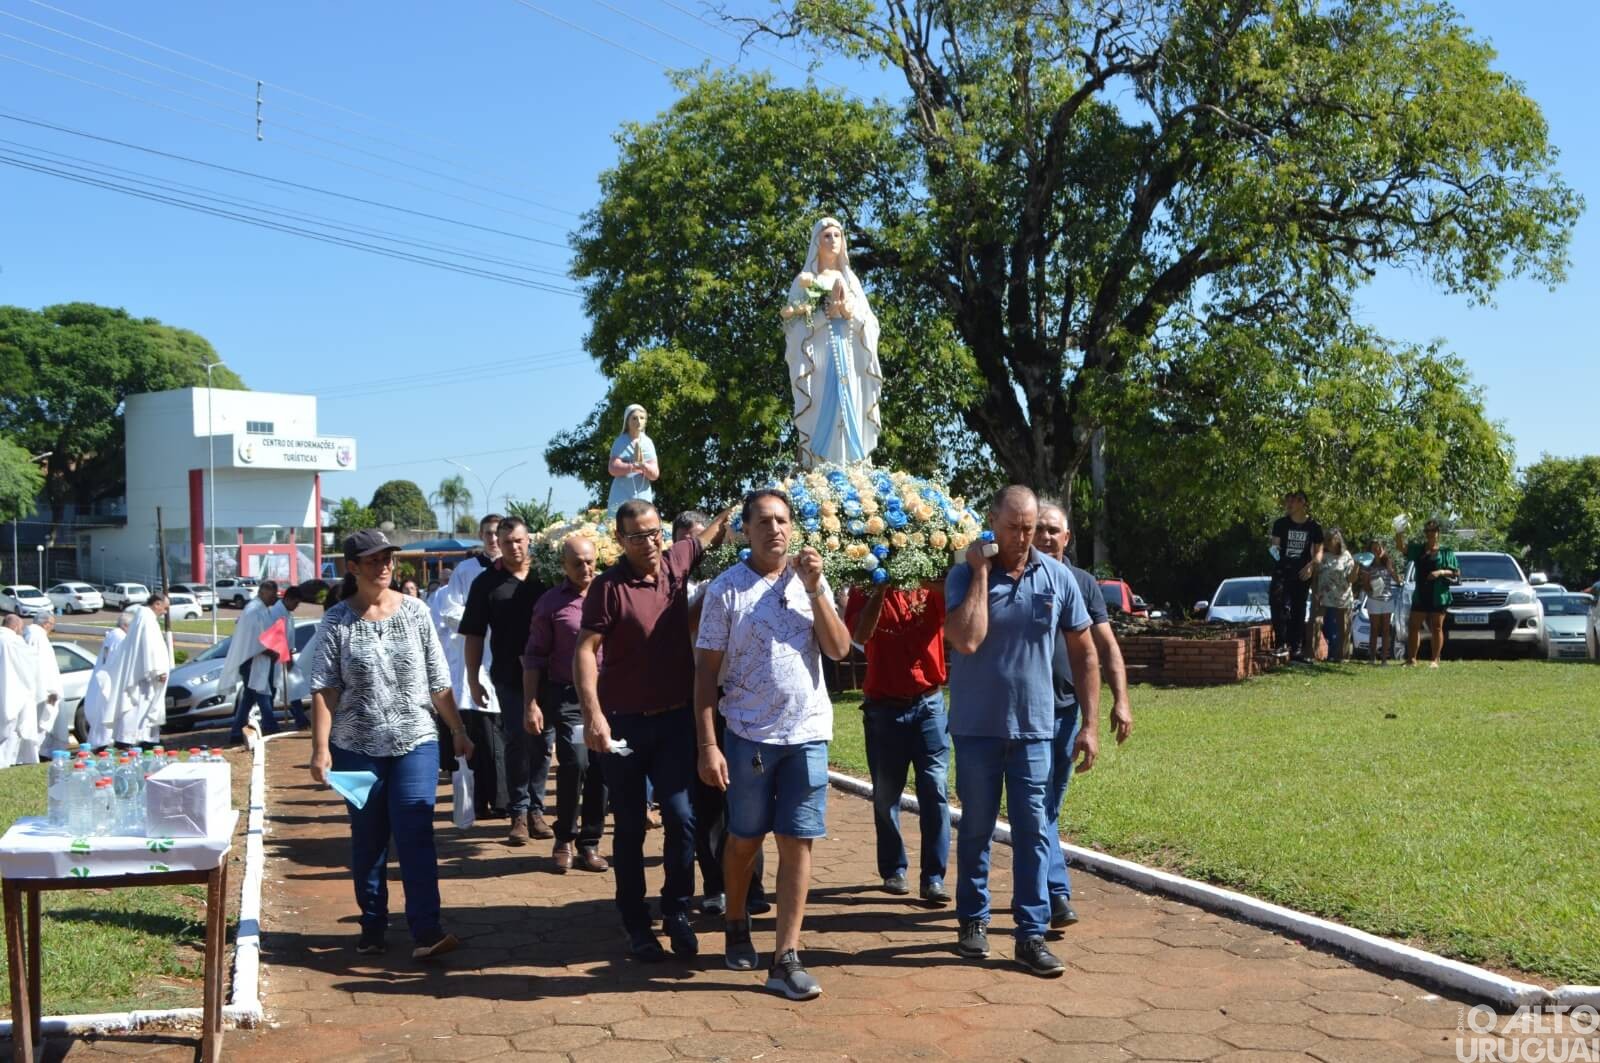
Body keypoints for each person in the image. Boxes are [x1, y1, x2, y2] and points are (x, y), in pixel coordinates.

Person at [696, 490, 850, 999]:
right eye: (763, 521)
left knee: (797, 840)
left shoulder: (811, 581)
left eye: (782, 520)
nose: (774, 529)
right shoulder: (725, 590)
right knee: (744, 839)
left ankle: (786, 956)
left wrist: (816, 588)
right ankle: (736, 921)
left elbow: (839, 649)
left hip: (807, 734)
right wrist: (708, 744)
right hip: (748, 736)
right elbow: (705, 674)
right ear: (744, 529)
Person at [944, 486, 1100, 978]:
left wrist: (1091, 723)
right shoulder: (963, 574)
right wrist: (980, 571)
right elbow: (966, 639)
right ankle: (973, 920)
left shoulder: (1057, 577)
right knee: (976, 827)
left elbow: (1085, 653)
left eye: (1029, 528)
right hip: (977, 729)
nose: (1023, 537)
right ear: (992, 521)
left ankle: (1030, 935)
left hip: (1036, 729)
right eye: (1012, 527)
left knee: (1033, 832)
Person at [308, 530, 472, 960]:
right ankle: (372, 925)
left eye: (388, 558)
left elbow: (438, 679)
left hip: (415, 740)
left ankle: (427, 930)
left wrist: (457, 729)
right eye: (373, 560)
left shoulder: (416, 611)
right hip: (354, 747)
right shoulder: (336, 622)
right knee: (369, 838)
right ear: (353, 567)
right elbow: (324, 689)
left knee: (415, 830)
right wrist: (320, 749)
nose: (384, 566)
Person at [577, 498, 729, 961]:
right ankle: (635, 921)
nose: (650, 542)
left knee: (682, 818)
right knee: (629, 826)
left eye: (655, 532)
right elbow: (585, 650)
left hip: (675, 721)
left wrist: (734, 514)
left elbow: (706, 537)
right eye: (638, 536)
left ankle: (677, 909)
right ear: (620, 539)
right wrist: (593, 715)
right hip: (623, 725)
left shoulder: (674, 563)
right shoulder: (608, 587)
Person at [1034, 501, 1132, 927]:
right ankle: (1055, 893)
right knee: (1038, 805)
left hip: (1063, 713)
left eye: (1053, 530)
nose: (1045, 537)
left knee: (1046, 805)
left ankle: (1042, 888)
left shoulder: (1082, 583)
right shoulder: (1015, 577)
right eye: (1039, 529)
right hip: (1021, 715)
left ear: (1067, 537)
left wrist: (1120, 700)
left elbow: (1106, 647)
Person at [677, 508, 767, 916]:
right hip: (702, 695)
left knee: (747, 795)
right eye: (696, 542)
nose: (707, 547)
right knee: (709, 797)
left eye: (711, 539)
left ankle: (752, 885)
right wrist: (713, 587)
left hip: (743, 695)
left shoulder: (742, 577)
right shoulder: (678, 585)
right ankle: (715, 883)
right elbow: (684, 624)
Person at [843, 577, 951, 905]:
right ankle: (893, 869)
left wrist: (925, 578)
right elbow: (859, 635)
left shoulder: (930, 586)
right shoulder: (865, 588)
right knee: (886, 794)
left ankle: (933, 877)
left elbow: (957, 606)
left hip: (928, 704)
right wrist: (880, 588)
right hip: (884, 709)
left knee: (935, 789)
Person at [460, 516, 552, 845]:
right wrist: (473, 680)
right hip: (508, 675)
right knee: (517, 739)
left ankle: (537, 809)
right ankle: (519, 812)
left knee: (543, 742)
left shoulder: (547, 576)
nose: (514, 546)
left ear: (529, 541)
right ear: (498, 543)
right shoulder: (486, 583)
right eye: (507, 541)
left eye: (519, 540)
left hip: (550, 674)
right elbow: (473, 635)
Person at [522, 535, 609, 873]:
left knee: (601, 767)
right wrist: (531, 702)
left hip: (609, 696)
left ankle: (590, 842)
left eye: (589, 561)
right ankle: (564, 839)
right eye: (577, 563)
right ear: (563, 566)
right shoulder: (550, 604)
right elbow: (534, 656)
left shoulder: (610, 593)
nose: (585, 568)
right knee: (576, 762)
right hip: (569, 696)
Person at [782, 216, 883, 467]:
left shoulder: (851, 280)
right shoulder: (805, 280)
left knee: (850, 404)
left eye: (837, 235)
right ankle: (819, 467)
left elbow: (871, 323)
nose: (833, 240)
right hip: (819, 358)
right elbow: (792, 327)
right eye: (827, 236)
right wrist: (823, 314)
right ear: (817, 241)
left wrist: (848, 313)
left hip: (849, 353)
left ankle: (854, 466)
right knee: (821, 405)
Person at [431, 515, 508, 820]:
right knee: (481, 736)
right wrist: (484, 619)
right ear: (481, 535)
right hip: (476, 661)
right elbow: (450, 610)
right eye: (488, 533)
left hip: (508, 660)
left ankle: (507, 801)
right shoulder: (466, 570)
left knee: (507, 738)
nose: (493, 539)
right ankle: (480, 801)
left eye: (498, 533)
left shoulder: (518, 568)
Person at [222, 580, 284, 745]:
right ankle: (270, 726)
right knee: (262, 693)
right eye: (272, 594)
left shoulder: (261, 609)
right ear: (263, 592)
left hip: (259, 659)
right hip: (253, 661)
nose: (274, 598)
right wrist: (270, 652)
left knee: (249, 697)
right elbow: (255, 640)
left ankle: (236, 732)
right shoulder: (254, 610)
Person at [108, 593, 172, 748]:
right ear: (157, 604)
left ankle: (143, 738)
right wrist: (157, 671)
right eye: (165, 608)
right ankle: (138, 739)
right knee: (141, 707)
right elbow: (150, 648)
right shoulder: (146, 619)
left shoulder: (143, 617)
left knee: (141, 707)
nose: (165, 612)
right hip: (146, 673)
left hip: (144, 672)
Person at [1269, 492, 1324, 662]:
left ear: (1302, 503)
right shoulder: (1280, 524)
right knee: (1277, 603)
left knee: (1299, 610)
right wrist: (1275, 552)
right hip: (1282, 572)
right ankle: (1281, 644)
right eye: (1287, 501)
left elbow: (1319, 552)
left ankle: (1296, 650)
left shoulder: (1314, 526)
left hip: (1302, 574)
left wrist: (1312, 565)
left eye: (1292, 501)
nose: (1288, 504)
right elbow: (1275, 546)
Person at [1398, 519, 1458, 667]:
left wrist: (1440, 572)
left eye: (1433, 530)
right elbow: (1401, 547)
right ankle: (1411, 659)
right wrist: (1399, 531)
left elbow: (1456, 572)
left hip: (1438, 595)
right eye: (1428, 531)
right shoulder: (1418, 549)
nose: (1430, 533)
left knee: (1436, 627)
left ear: (1438, 532)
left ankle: (1435, 660)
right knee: (1413, 626)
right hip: (1421, 594)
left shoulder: (1446, 551)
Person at [83, 612, 131, 749]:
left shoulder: (113, 635)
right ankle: (105, 744)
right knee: (108, 713)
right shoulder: (119, 637)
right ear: (125, 625)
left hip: (107, 680)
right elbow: (118, 661)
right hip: (112, 681)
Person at [1312, 529, 1359, 663]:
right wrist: (1314, 592)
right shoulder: (1322, 555)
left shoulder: (1346, 556)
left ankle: (1342, 656)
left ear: (1337, 540)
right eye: (1325, 540)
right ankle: (1313, 654)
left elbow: (1351, 579)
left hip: (1342, 596)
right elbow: (1315, 575)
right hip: (1323, 596)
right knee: (1317, 623)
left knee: (1343, 626)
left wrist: (1357, 567)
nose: (1326, 543)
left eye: (1329, 540)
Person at [606, 404, 659, 519]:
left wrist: (644, 466)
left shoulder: (648, 443)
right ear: (627, 421)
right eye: (634, 418)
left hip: (642, 490)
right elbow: (613, 468)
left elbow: (655, 474)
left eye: (642, 418)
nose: (638, 422)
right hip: (622, 489)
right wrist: (632, 467)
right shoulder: (620, 441)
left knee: (642, 518)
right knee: (619, 518)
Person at [24, 615, 65, 760]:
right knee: (41, 724)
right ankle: (38, 755)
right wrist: (52, 691)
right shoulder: (38, 637)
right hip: (44, 692)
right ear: (46, 624)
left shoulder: (31, 635)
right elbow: (44, 668)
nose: (52, 628)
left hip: (40, 691)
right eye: (52, 624)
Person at [0, 616, 38, 769]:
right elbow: (31, 662)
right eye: (21, 629)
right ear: (15, 627)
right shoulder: (13, 641)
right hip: (11, 692)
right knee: (11, 732)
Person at [1361, 537, 1399, 664]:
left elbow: (1398, 580)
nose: (1377, 550)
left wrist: (1390, 569)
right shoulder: (1367, 565)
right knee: (1374, 629)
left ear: (1383, 549)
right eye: (1374, 548)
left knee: (1386, 630)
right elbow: (1365, 585)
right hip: (1374, 600)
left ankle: (1384, 660)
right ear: (1370, 551)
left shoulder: (1388, 562)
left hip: (1387, 599)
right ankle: (1372, 658)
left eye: (1379, 548)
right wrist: (1373, 589)